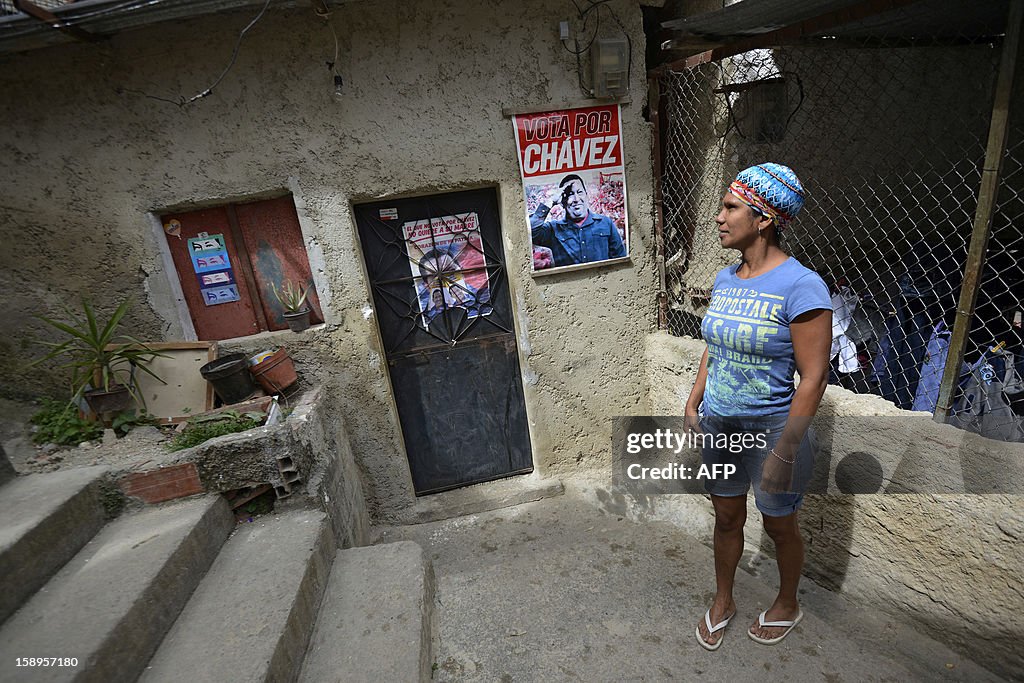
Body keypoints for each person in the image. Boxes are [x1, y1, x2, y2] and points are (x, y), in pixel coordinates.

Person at [685, 163, 832, 650]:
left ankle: (788, 602)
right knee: (726, 518)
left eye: (730, 208)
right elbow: (715, 342)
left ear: (763, 217)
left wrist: (786, 448)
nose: (720, 218)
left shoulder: (802, 286)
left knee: (779, 524)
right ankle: (723, 600)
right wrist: (695, 397)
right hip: (721, 424)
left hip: (773, 429)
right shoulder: (724, 279)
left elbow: (814, 377)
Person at [530, 174, 627, 268]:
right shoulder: (553, 229)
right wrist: (551, 200)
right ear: (562, 201)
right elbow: (531, 233)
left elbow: (620, 260)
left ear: (586, 195)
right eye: (570, 194)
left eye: (580, 192)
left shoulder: (606, 223)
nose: (576, 199)